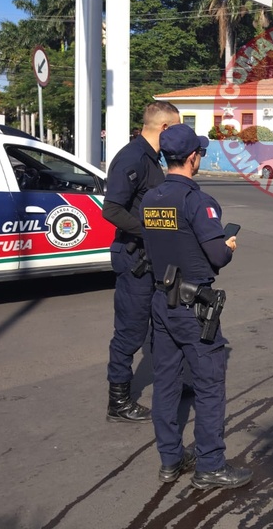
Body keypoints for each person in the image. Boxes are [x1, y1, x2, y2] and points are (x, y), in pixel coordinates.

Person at [140, 123, 252, 490]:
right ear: (192, 157)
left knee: (167, 384)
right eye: (200, 153)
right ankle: (210, 466)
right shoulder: (197, 202)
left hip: (161, 301)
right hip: (193, 306)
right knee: (208, 387)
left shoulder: (151, 199)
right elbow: (217, 255)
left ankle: (171, 460)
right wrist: (230, 245)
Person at [103, 101, 180, 423]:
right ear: (163, 128)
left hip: (152, 259)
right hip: (134, 258)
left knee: (164, 325)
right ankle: (118, 401)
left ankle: (172, 383)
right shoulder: (132, 158)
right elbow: (112, 209)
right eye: (175, 129)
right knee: (131, 332)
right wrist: (152, 231)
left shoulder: (151, 158)